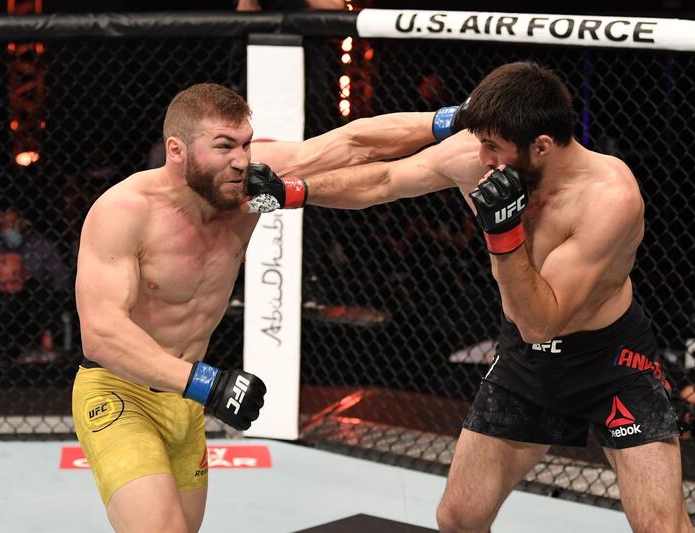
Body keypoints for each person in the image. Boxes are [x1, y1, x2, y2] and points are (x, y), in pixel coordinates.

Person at [250, 61, 692, 532]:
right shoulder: (484, 152)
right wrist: (296, 192)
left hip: (610, 363)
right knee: (459, 518)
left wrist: (503, 234)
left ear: (541, 145)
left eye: (493, 148)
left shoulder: (610, 198)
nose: (479, 158)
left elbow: (542, 321)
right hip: (529, 362)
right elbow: (386, 180)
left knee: (660, 528)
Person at [72, 81, 450, 533]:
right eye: (224, 146)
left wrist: (450, 119)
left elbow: (351, 142)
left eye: (247, 144)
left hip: (184, 399)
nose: (241, 159)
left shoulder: (243, 186)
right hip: (119, 393)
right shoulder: (123, 211)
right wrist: (207, 384)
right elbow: (103, 332)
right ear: (177, 149)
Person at [0, 207, 71, 291]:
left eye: (11, 223)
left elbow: (62, 280)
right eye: (3, 225)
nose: (8, 229)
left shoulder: (43, 247)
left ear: (24, 223)